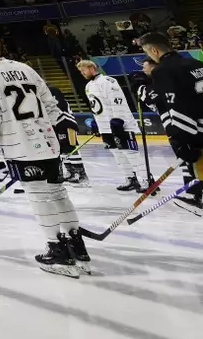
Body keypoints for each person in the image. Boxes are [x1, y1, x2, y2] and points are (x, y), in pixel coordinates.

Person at [0, 36, 89, 277]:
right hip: (47, 139)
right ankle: (77, 247)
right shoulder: (24, 68)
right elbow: (50, 102)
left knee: (39, 196)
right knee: (58, 193)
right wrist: (61, 130)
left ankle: (58, 252)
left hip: (19, 143)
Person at [137, 30, 203, 208]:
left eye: (147, 52)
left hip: (198, 132)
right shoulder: (195, 62)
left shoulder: (162, 71)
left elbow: (175, 107)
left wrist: (180, 140)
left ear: (154, 51)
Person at [76, 59, 146, 191]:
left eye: (83, 70)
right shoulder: (88, 86)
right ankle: (130, 179)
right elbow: (95, 106)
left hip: (120, 125)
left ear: (92, 68)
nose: (82, 73)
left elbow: (117, 101)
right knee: (118, 154)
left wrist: (117, 120)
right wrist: (97, 123)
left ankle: (146, 180)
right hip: (105, 127)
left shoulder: (108, 81)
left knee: (130, 153)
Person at [49, 87, 89, 185]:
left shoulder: (56, 97)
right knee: (62, 149)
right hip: (58, 125)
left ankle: (81, 174)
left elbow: (59, 111)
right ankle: (71, 172)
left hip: (67, 124)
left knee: (70, 148)